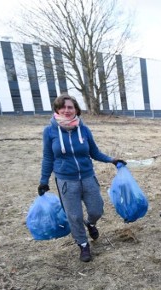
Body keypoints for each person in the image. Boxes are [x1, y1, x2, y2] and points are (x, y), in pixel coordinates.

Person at [38, 94, 125, 262]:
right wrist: (44, 181)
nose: (66, 110)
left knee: (96, 209)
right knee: (74, 216)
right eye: (62, 107)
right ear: (57, 109)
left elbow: (94, 152)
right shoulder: (50, 131)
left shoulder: (83, 129)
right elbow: (48, 158)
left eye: (70, 107)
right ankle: (83, 245)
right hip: (66, 181)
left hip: (87, 177)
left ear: (76, 109)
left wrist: (112, 160)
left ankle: (91, 224)